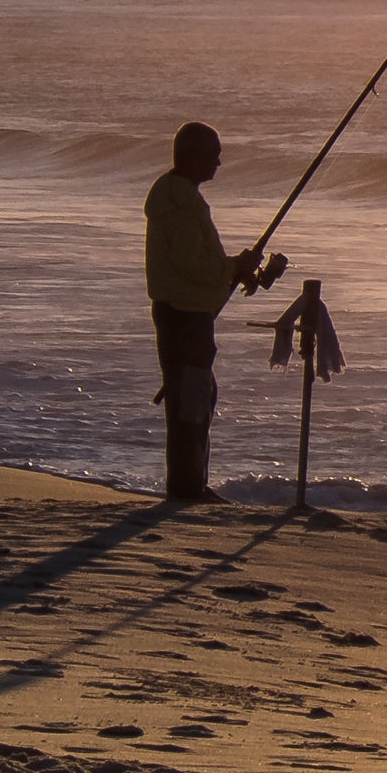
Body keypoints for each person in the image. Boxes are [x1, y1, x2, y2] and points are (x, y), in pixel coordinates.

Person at [145, 122, 282, 504]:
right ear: (191, 157)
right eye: (213, 154)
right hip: (185, 316)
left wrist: (235, 270)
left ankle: (189, 484)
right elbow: (196, 267)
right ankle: (188, 489)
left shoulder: (174, 196)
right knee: (192, 398)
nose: (219, 162)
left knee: (195, 395)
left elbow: (196, 267)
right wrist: (234, 265)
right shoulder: (182, 204)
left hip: (182, 312)